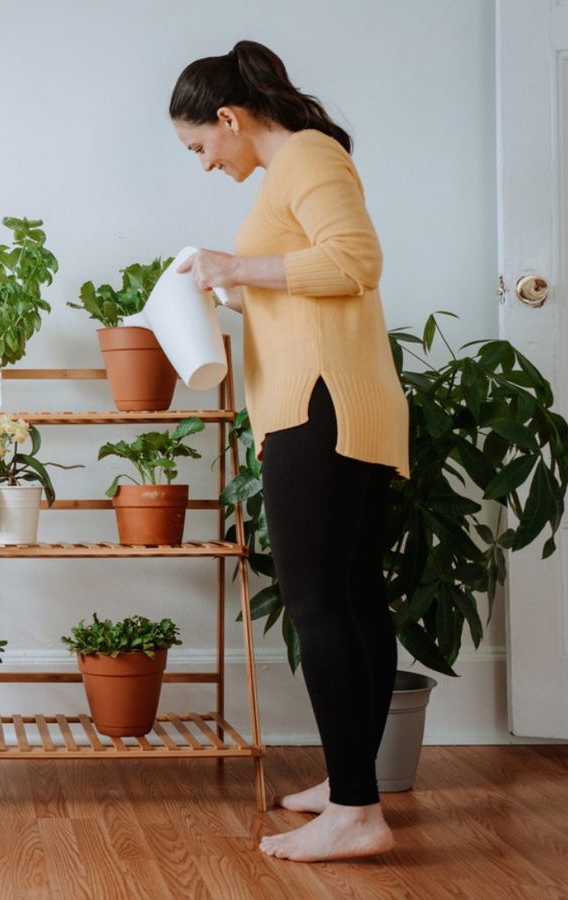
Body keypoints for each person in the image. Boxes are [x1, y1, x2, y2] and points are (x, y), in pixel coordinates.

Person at [169, 41, 410, 863]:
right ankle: (355, 785)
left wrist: (236, 263)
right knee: (352, 597)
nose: (204, 163)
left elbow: (355, 261)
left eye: (200, 146)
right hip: (336, 399)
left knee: (318, 604)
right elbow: (314, 282)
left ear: (229, 119)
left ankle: (355, 810)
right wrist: (238, 285)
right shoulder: (299, 167)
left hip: (321, 407)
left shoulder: (307, 157)